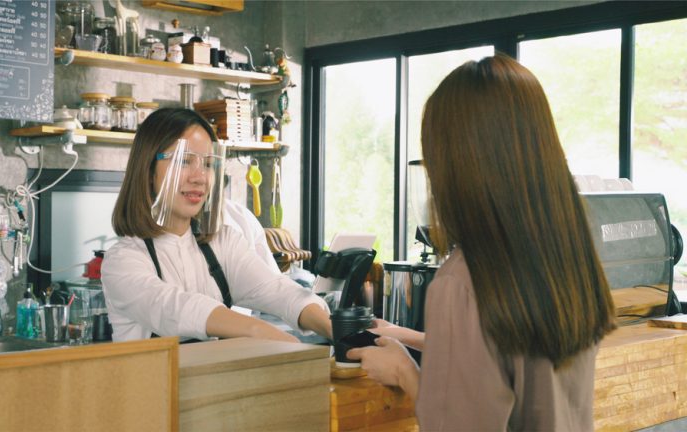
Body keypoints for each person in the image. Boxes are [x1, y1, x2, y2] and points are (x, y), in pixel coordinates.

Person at [347, 54, 617, 430]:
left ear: (458, 165)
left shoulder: (462, 281)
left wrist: (405, 372)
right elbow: (512, 353)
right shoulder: (566, 257)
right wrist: (408, 336)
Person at [101, 108, 331, 343]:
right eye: (184, 161)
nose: (200, 177)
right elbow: (178, 309)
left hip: (216, 380)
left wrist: (335, 329)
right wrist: (259, 331)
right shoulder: (123, 261)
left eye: (208, 163)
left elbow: (277, 291)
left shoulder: (223, 243)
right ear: (148, 170)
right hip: (154, 381)